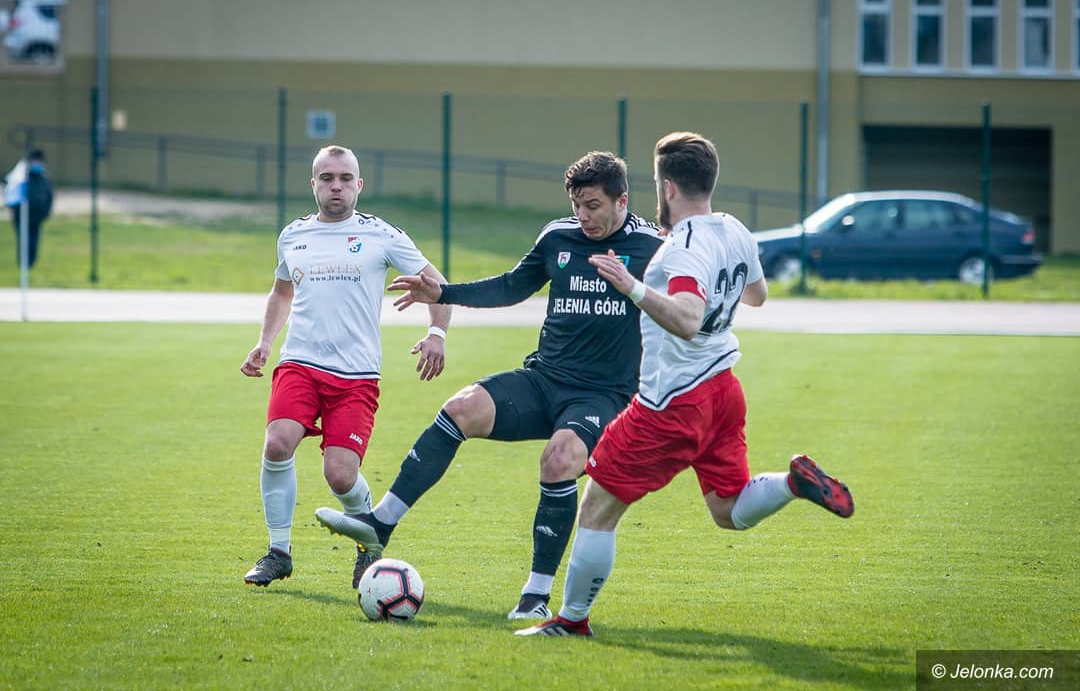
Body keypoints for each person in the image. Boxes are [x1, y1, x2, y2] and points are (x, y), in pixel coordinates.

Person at [516, 132, 855, 637]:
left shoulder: (683, 247)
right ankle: (793, 483)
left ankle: (570, 621)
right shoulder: (733, 229)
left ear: (667, 187)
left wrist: (632, 286)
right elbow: (757, 295)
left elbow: (688, 319)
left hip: (672, 402)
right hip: (723, 389)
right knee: (728, 510)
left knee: (597, 507)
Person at [314, 151, 664, 618]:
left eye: (594, 206)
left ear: (622, 200)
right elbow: (511, 287)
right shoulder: (558, 237)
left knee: (558, 459)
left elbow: (685, 311)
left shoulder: (653, 247)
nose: (584, 216)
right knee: (461, 407)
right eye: (577, 205)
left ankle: (536, 598)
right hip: (545, 379)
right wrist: (444, 293)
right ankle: (381, 523)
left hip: (604, 396)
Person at [241, 144, 451, 589]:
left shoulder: (381, 234)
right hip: (299, 364)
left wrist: (437, 333)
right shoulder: (293, 235)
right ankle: (278, 552)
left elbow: (437, 284)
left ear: (359, 185)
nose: (335, 186)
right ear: (313, 184)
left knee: (339, 475)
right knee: (277, 444)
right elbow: (282, 292)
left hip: (356, 377)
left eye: (344, 179)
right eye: (326, 178)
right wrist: (264, 342)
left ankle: (369, 540)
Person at [5, 149, 53, 269]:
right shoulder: (22, 178)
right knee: (24, 242)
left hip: (37, 218)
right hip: (21, 217)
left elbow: (49, 196)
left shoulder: (45, 180)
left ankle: (30, 264)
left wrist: (46, 211)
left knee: (33, 243)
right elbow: (12, 193)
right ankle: (23, 265)